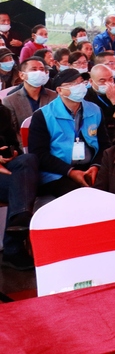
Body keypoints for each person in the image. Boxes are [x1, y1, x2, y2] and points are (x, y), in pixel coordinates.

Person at [28, 68, 106, 197]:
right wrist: (70, 171)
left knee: (113, 187)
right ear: (59, 90)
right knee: (77, 194)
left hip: (90, 167)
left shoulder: (95, 110)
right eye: (73, 84)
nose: (80, 86)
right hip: (57, 172)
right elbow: (39, 154)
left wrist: (96, 166)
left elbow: (104, 144)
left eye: (81, 82)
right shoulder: (43, 115)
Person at [0, 98, 39, 270]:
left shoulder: (2, 112)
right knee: (23, 186)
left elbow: (14, 145)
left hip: (7, 171)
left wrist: (12, 153)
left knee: (28, 159)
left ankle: (20, 217)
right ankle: (13, 248)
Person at [85, 63, 115, 147]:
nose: (107, 83)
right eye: (102, 81)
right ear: (91, 81)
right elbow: (95, 122)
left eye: (110, 79)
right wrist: (114, 120)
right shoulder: (86, 97)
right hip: (99, 138)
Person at [3, 57, 58, 124]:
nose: (39, 73)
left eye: (42, 69)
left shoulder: (54, 96)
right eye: (34, 69)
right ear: (22, 75)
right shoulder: (10, 101)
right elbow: (12, 127)